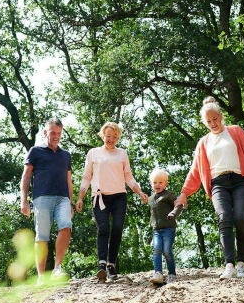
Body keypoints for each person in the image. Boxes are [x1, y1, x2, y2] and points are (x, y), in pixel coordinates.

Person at [175, 97, 244, 279]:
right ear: (204, 122)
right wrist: (184, 193)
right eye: (208, 121)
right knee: (224, 218)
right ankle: (229, 265)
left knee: (241, 217)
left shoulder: (236, 131)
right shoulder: (203, 142)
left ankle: (241, 263)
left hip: (240, 181)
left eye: (215, 119)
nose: (213, 123)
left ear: (221, 116)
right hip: (218, 184)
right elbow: (195, 171)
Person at [76, 122, 148, 282]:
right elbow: (87, 176)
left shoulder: (122, 153)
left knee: (116, 229)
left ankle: (111, 265)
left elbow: (128, 176)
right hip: (99, 197)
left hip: (119, 197)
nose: (111, 139)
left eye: (115, 136)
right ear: (103, 135)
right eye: (109, 136)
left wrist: (139, 192)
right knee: (103, 228)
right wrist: (80, 197)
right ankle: (101, 265)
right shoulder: (93, 153)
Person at [20, 117, 74, 285]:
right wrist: (24, 201)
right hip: (41, 197)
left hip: (62, 198)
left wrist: (71, 202)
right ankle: (42, 277)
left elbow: (69, 181)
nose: (56, 136)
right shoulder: (35, 151)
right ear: (45, 132)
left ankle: (58, 268)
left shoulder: (66, 155)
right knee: (42, 236)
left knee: (66, 226)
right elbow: (26, 176)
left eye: (59, 133)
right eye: (52, 133)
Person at [146, 168, 183, 285]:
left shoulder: (169, 195)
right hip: (156, 230)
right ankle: (158, 273)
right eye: (155, 182)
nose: (158, 185)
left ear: (165, 184)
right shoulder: (151, 199)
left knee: (167, 251)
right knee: (156, 250)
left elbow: (179, 205)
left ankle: (172, 273)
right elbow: (153, 214)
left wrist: (173, 213)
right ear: (151, 184)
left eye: (161, 182)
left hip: (168, 228)